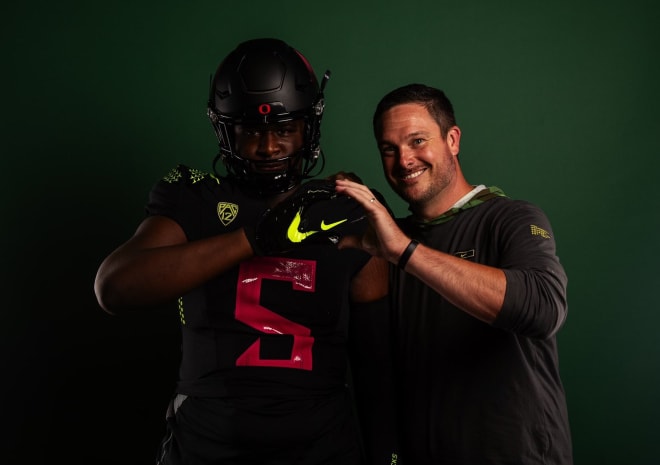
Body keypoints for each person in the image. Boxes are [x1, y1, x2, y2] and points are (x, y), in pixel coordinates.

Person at [94, 38, 396, 465]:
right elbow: (114, 287)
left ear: (309, 127)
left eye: (285, 129)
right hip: (209, 441)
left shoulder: (346, 209)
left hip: (320, 443)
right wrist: (257, 237)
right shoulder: (194, 196)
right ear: (225, 129)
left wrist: (388, 454)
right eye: (251, 131)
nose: (269, 147)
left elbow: (376, 363)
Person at [335, 83, 573, 465]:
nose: (404, 160)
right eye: (389, 149)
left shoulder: (510, 217)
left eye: (417, 141)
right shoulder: (385, 240)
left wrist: (405, 252)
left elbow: (544, 308)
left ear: (452, 139)